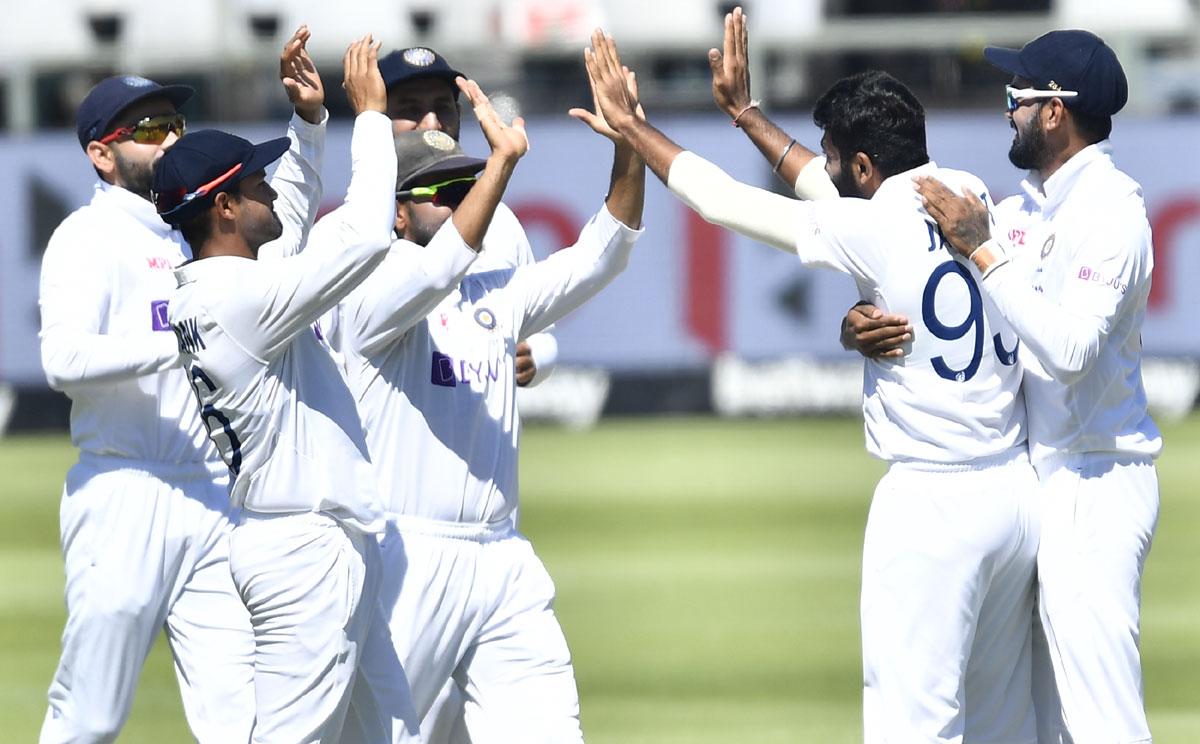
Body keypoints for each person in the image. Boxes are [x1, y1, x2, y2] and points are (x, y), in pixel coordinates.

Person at [585, 27, 1041, 743]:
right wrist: (745, 113)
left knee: (912, 725)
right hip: (1015, 496)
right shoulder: (970, 193)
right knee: (1002, 726)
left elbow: (724, 202)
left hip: (933, 502)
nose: (821, 169)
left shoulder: (873, 227)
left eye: (834, 158)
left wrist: (633, 126)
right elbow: (827, 193)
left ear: (862, 165)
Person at [335, 71, 644, 743]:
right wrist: (499, 167)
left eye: (462, 187)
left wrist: (630, 146)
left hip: (503, 559)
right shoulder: (368, 292)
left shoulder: (494, 291)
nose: (457, 202)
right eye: (437, 192)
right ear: (393, 211)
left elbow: (603, 254)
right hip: (403, 557)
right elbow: (437, 269)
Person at [36, 26, 323, 743]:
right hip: (125, 489)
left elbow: (291, 228)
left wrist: (309, 125)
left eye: (173, 123)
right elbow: (63, 362)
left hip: (213, 496)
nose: (166, 138)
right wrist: (180, 339)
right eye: (145, 128)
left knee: (240, 718)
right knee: (91, 716)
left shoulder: (196, 227)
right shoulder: (86, 236)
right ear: (101, 154)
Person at [155, 36, 422, 743]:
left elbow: (289, 222)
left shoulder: (221, 284)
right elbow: (362, 238)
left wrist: (309, 125)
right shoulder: (238, 300)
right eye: (255, 184)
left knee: (397, 734)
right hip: (304, 550)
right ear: (223, 210)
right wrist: (369, 116)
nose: (270, 189)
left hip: (311, 537)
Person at [911, 31, 1162, 744]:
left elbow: (1073, 349)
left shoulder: (1114, 212)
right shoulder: (1025, 206)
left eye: (1014, 96)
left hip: (1096, 479)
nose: (1006, 111)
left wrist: (986, 251)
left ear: (1055, 112)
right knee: (1044, 723)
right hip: (1039, 479)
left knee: (1100, 721)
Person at [379, 46, 557, 389]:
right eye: (410, 110)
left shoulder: (501, 221)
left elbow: (541, 331)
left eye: (443, 108)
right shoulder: (356, 226)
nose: (431, 123)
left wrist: (536, 357)